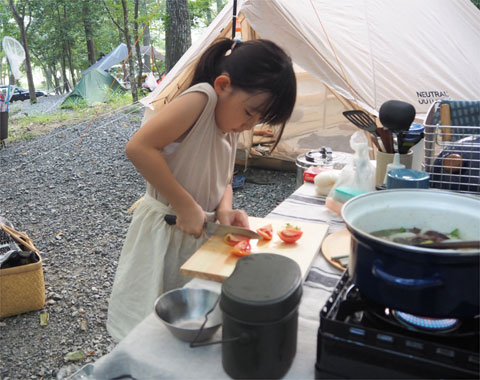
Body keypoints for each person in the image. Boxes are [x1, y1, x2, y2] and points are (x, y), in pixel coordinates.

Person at [106, 38, 297, 342]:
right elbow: (138, 147)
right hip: (164, 231)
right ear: (223, 85)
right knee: (146, 325)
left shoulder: (230, 124)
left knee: (186, 318)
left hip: (197, 233)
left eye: (259, 119)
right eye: (250, 112)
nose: (250, 125)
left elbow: (224, 177)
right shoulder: (202, 100)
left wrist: (224, 208)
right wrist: (183, 204)